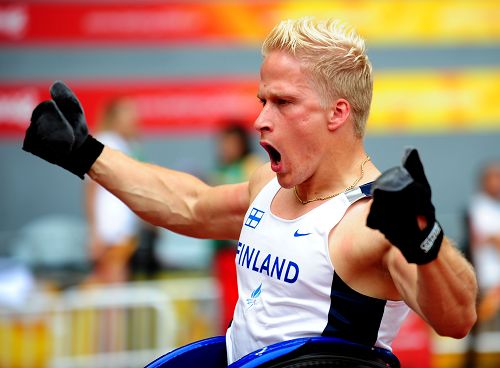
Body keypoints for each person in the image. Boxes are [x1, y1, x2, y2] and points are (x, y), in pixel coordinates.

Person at [22, 17, 477, 365]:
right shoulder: (269, 184)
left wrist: (427, 242)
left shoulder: (370, 220)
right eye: (263, 100)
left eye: (282, 102)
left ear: (337, 113)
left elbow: (456, 320)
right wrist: (86, 153)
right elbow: (192, 206)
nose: (261, 119)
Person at [212, 123, 262, 333]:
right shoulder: (220, 169)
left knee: (240, 310)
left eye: (229, 142)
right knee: (226, 310)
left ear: (241, 143)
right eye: (222, 142)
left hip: (241, 251)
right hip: (221, 251)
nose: (224, 147)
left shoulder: (253, 167)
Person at [84, 97, 141, 284]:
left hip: (116, 228)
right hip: (110, 228)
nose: (134, 119)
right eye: (128, 114)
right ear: (116, 117)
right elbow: (91, 189)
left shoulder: (122, 145)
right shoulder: (106, 142)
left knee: (114, 280)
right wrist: (95, 232)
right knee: (112, 283)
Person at [469, 162, 500, 322]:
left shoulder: (496, 207)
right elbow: (493, 239)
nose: (497, 182)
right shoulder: (479, 206)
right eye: (493, 178)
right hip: (489, 277)